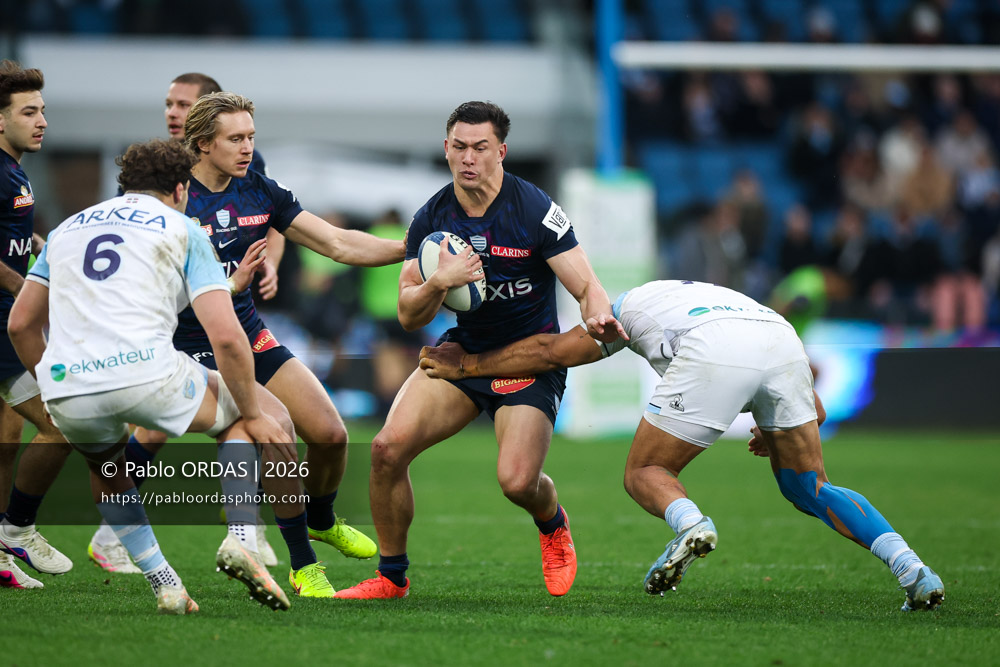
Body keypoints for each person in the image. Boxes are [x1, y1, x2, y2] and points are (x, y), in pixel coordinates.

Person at [419, 279, 945, 612]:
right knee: (810, 486)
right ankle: (913, 571)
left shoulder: (625, 307)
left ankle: (692, 525)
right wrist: (773, 422)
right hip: (779, 338)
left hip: (717, 347)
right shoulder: (707, 294)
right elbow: (814, 404)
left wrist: (467, 365)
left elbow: (554, 351)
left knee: (643, 471)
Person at [335, 101, 620, 600]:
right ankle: (392, 578)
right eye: (459, 147)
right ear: (446, 149)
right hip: (461, 357)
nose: (468, 158)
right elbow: (408, 314)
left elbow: (586, 285)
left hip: (529, 360)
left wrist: (597, 315)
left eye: (480, 148)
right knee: (384, 451)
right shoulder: (432, 217)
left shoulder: (533, 209)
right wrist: (439, 282)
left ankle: (552, 522)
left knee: (516, 482)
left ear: (501, 152)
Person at [7, 138, 299, 613]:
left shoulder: (65, 229)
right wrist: (250, 410)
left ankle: (165, 583)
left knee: (109, 470)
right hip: (147, 371)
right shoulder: (183, 228)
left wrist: (53, 384)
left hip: (69, 386)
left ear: (125, 186)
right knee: (256, 416)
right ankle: (243, 537)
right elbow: (226, 338)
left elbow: (20, 323)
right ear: (181, 188)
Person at [154, 91, 402, 598]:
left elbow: (336, 242)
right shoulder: (171, 201)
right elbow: (154, 290)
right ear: (203, 144)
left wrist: (409, 247)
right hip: (189, 345)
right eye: (235, 139)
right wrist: (231, 287)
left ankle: (320, 518)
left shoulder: (259, 190)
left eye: (251, 137)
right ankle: (303, 566)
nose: (247, 148)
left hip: (249, 335)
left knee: (331, 435)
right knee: (276, 429)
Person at [89, 71, 285, 573]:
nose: (173, 112)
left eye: (184, 104)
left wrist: (268, 266)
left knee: (316, 426)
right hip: (167, 331)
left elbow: (275, 219)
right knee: (224, 421)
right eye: (170, 103)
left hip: (226, 323)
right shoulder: (160, 178)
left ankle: (282, 529)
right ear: (205, 139)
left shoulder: (246, 172)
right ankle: (47, 526)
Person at [0, 59, 74, 589]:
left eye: (43, 110)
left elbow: (17, 243)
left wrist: (55, 259)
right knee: (61, 423)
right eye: (29, 112)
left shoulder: (14, 169)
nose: (41, 120)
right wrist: (28, 290)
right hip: (2, 330)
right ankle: (17, 529)